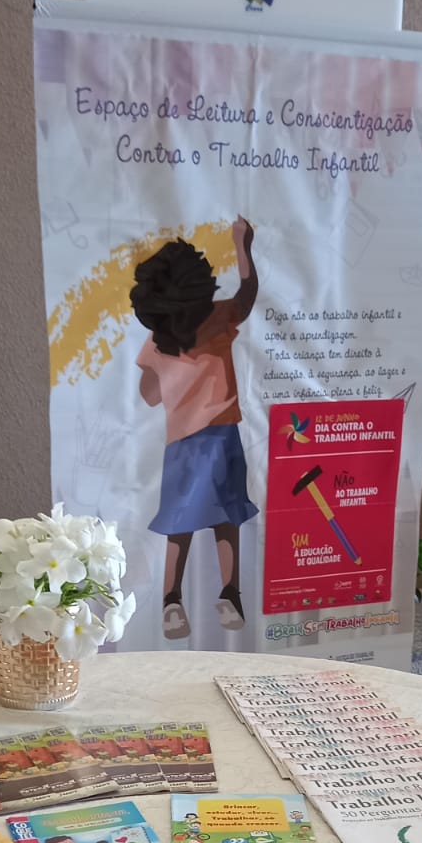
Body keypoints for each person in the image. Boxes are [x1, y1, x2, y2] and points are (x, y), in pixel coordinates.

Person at [133, 218, 259, 638]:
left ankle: (172, 602)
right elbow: (247, 294)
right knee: (226, 519)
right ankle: (231, 593)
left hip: (182, 444)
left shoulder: (158, 338)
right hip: (222, 437)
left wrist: (173, 372)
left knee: (179, 524)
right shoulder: (220, 317)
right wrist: (243, 246)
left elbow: (149, 395)